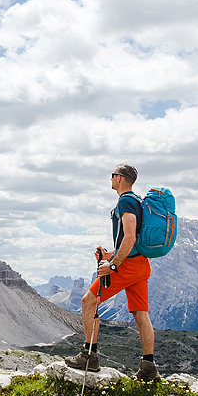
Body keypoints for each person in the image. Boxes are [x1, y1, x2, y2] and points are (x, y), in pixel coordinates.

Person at [65, 163, 160, 382]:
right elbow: (132, 240)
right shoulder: (137, 201)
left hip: (126, 267)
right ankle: (148, 367)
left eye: (112, 175)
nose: (110, 179)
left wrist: (113, 265)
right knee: (141, 313)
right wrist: (108, 254)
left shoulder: (125, 201)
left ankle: (89, 356)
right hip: (141, 264)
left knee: (88, 301)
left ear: (119, 178)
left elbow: (130, 237)